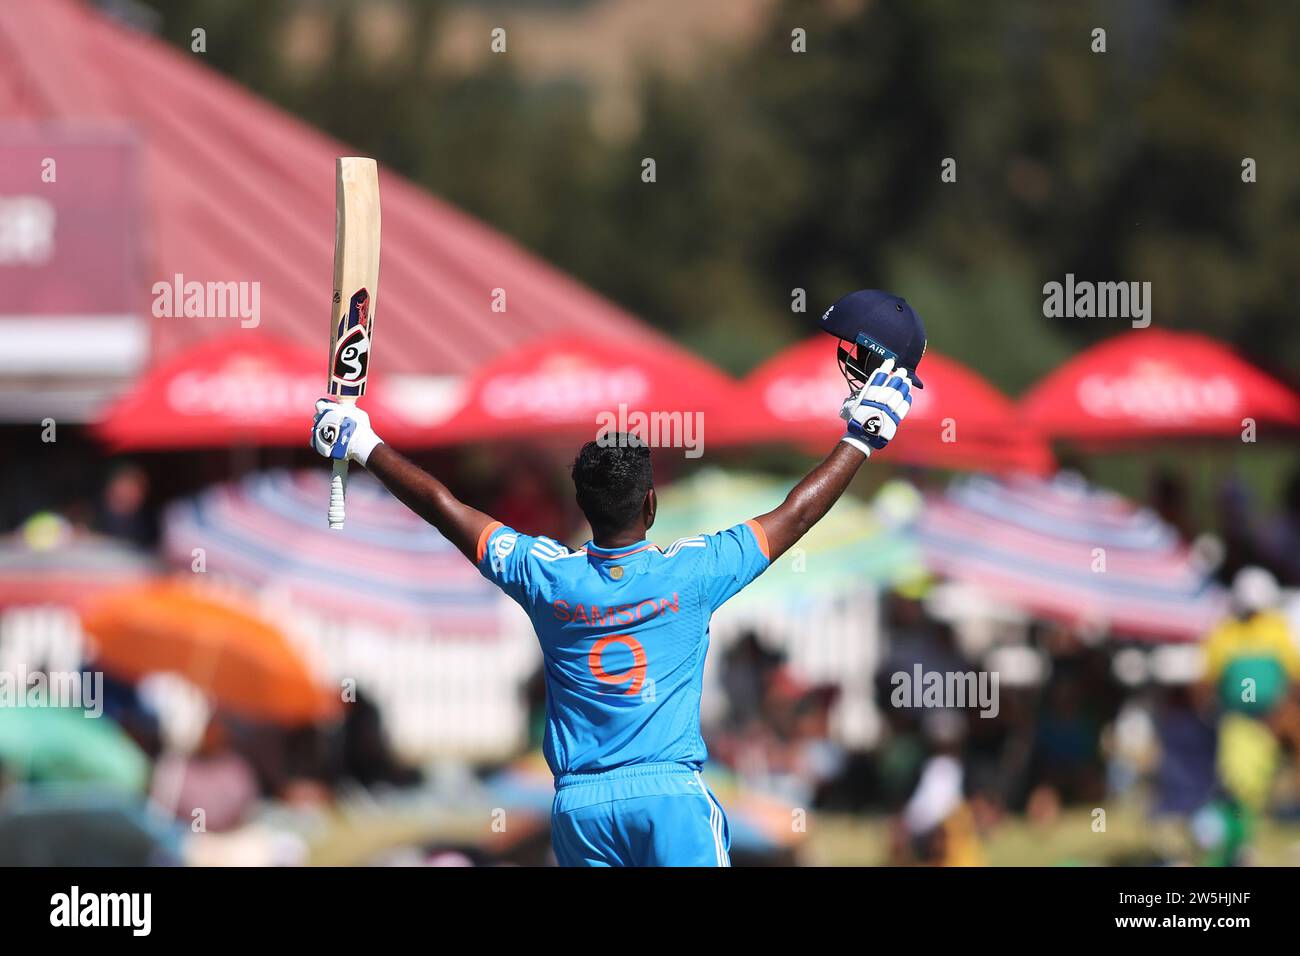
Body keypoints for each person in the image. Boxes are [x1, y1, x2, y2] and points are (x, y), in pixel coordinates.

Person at [310, 302, 918, 867]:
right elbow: (796, 514)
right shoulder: (694, 569)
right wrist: (860, 438)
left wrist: (362, 441)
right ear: (651, 504)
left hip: (582, 808)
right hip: (670, 796)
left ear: (582, 503)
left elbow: (444, 505)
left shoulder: (544, 574)